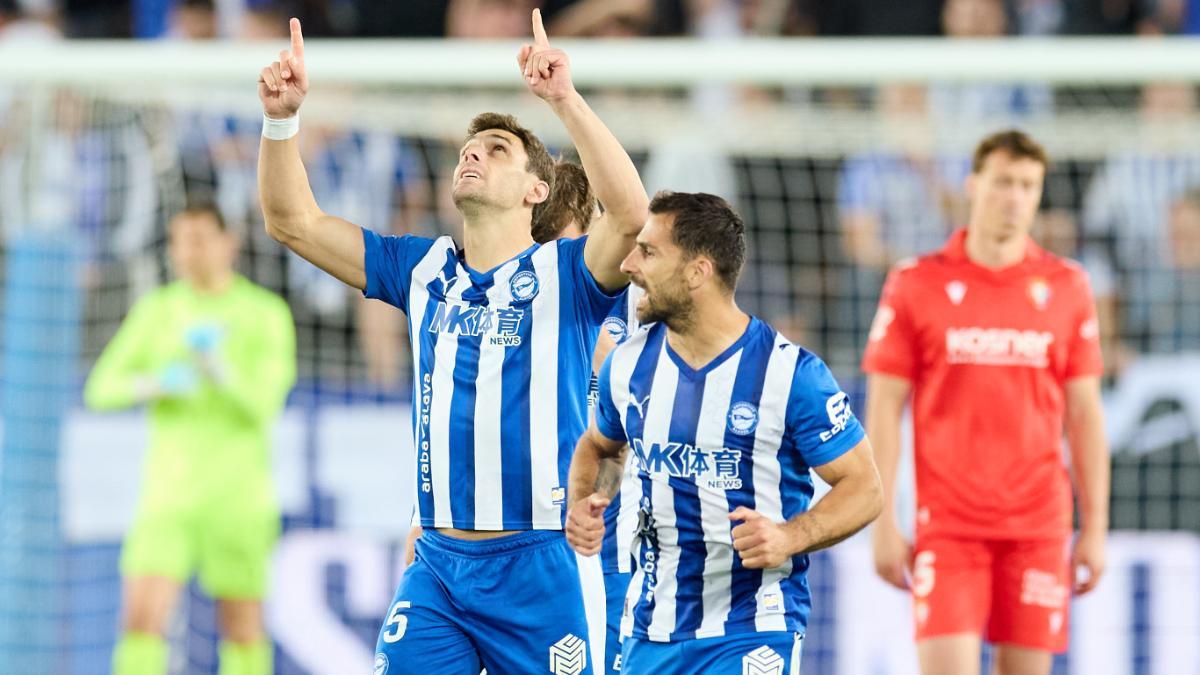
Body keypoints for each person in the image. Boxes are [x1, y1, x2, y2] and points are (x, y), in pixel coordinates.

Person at [257, 11, 647, 673]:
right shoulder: (422, 269)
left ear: (535, 190)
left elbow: (633, 215)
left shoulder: (567, 273)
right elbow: (293, 221)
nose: (474, 152)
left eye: (497, 148)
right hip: (439, 566)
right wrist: (281, 120)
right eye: (471, 147)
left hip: (542, 565)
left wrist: (563, 100)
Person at [566, 191, 883, 674]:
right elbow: (601, 446)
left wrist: (789, 536)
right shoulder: (626, 365)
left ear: (698, 271)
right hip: (650, 629)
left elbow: (865, 487)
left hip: (752, 627)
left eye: (649, 251)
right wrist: (587, 502)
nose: (629, 263)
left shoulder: (788, 374)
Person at [863, 130, 1110, 675]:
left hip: (1039, 529)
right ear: (973, 185)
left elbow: (1086, 415)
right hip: (948, 529)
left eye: (1028, 185)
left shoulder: (1068, 285)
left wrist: (1094, 526)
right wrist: (880, 522)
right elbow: (883, 409)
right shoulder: (915, 282)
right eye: (1003, 182)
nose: (1015, 198)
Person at [84, 206, 296, 675]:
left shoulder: (264, 313)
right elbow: (100, 389)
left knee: (242, 627)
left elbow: (265, 404)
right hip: (168, 495)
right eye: (179, 241)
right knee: (141, 619)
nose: (188, 252)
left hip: (238, 498)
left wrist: (222, 372)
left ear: (228, 243)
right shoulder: (157, 309)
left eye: (200, 239)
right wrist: (153, 384)